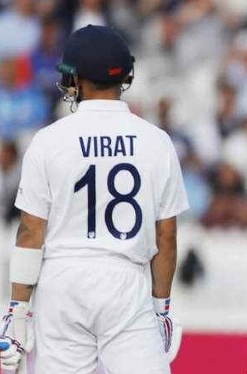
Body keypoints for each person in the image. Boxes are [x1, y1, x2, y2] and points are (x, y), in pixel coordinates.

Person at [0, 25, 189, 373]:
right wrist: (161, 307)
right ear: (126, 76)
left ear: (76, 79)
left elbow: (30, 231)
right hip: (126, 281)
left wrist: (17, 311)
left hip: (62, 281)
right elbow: (166, 237)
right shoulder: (156, 141)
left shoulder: (48, 140)